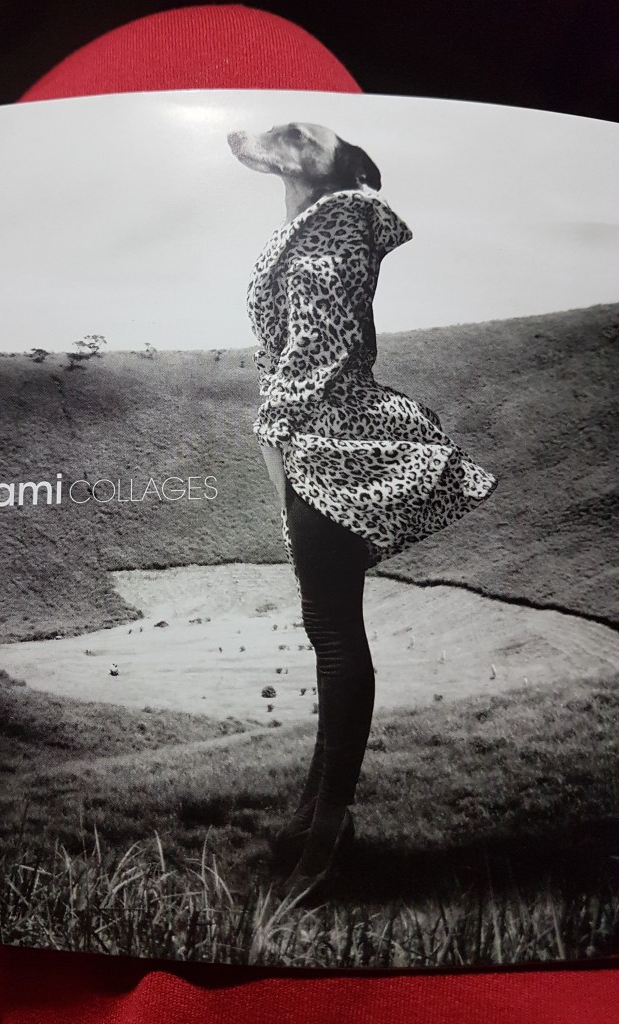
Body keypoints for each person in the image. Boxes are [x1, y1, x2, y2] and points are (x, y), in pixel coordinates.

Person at [229, 122, 498, 899]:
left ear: (341, 168)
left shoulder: (336, 234)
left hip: (332, 447)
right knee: (329, 634)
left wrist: (273, 432)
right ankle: (311, 822)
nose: (281, 137)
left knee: (337, 636)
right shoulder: (314, 232)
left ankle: (324, 843)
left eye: (300, 135)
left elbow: (319, 351)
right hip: (314, 441)